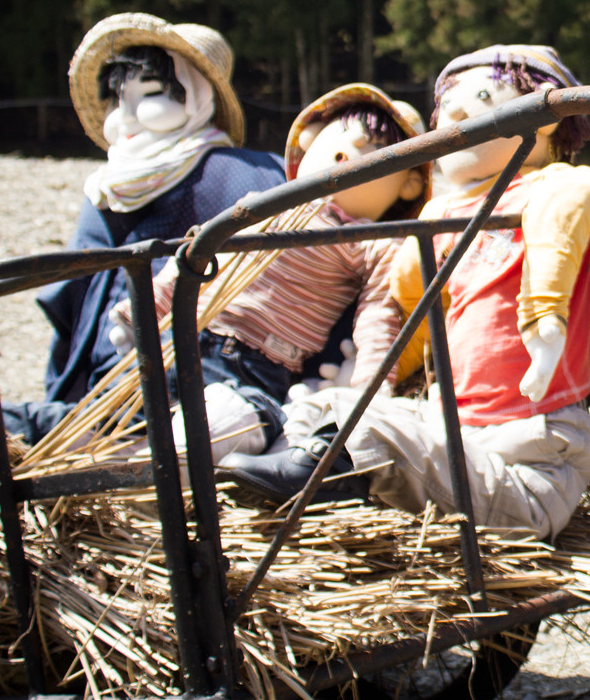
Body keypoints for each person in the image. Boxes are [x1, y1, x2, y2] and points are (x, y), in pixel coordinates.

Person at [220, 45, 590, 540]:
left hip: (535, 461)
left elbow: (572, 205)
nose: (456, 112)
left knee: (377, 431)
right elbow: (412, 306)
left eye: (485, 97)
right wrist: (382, 374)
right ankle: (296, 464)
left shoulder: (554, 183)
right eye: (447, 103)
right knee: (334, 406)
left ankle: (313, 476)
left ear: (546, 118)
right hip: (464, 442)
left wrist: (545, 317)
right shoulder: (445, 217)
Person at [98, 83, 431, 461]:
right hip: (186, 337)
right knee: (112, 414)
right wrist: (146, 312)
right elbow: (200, 259)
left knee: (225, 424)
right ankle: (54, 445)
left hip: (256, 367)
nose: (345, 152)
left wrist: (370, 386)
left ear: (408, 185)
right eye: (339, 136)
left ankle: (157, 475)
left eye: (372, 150)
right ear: (310, 141)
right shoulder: (262, 205)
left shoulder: (370, 243)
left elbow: (378, 314)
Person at [4, 13, 285, 442]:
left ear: (195, 95)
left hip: (179, 379)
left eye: (150, 93)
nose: (127, 116)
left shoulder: (255, 177)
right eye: (119, 98)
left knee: (40, 425)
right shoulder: (109, 188)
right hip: (142, 378)